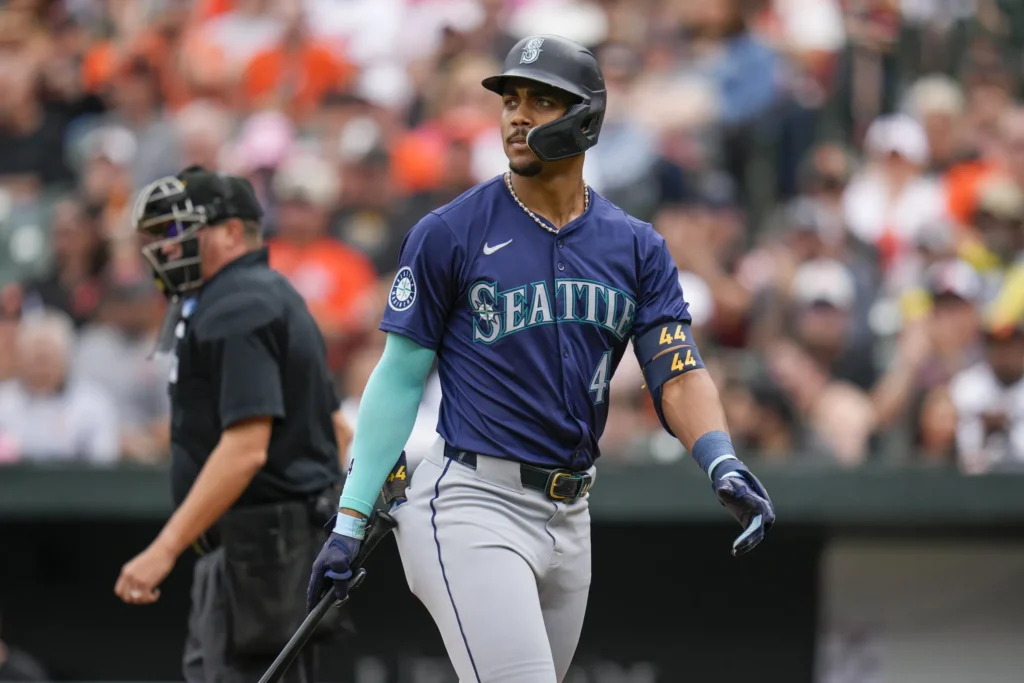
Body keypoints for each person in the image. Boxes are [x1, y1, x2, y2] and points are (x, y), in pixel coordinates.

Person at [307, 35, 776, 683]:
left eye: (541, 100)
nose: (517, 115)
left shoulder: (634, 246)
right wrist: (351, 516)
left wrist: (720, 455)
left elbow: (677, 368)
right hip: (472, 498)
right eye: (510, 100)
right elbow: (399, 374)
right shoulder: (450, 231)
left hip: (571, 514)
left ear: (585, 118)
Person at [114, 166, 352, 683]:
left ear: (231, 230)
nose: (165, 248)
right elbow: (339, 430)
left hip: (258, 553)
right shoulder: (260, 293)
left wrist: (164, 548)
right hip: (266, 550)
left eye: (178, 232)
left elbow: (247, 448)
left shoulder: (238, 303)